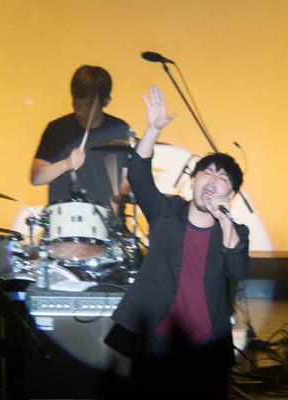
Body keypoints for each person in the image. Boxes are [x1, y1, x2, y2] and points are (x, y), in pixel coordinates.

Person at [104, 85, 250, 399]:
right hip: (158, 338)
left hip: (207, 344)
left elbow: (238, 270)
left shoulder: (235, 231)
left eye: (222, 178)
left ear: (231, 194)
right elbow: (139, 176)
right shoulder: (165, 212)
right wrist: (153, 129)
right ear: (193, 181)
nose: (213, 180)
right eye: (207, 173)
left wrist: (225, 221)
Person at [30, 65, 131, 209]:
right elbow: (35, 177)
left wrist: (118, 203)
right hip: (63, 218)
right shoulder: (57, 129)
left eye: (88, 105)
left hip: (105, 218)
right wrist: (67, 164)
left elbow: (127, 181)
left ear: (106, 102)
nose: (80, 111)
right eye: (76, 103)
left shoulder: (119, 130)